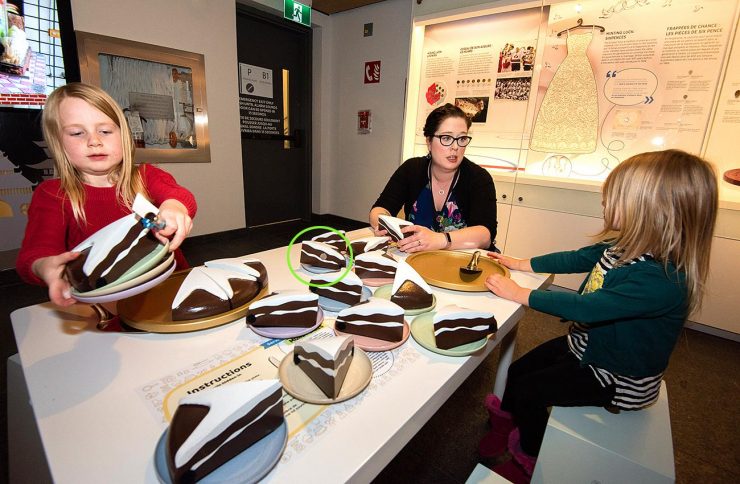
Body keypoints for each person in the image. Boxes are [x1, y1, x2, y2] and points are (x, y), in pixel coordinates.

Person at [478, 149, 718, 482]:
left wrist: (520, 294)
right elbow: (575, 259)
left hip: (615, 375)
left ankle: (529, 458)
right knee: (517, 372)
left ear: (651, 210)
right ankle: (505, 424)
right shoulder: (624, 246)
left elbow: (587, 307)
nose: (604, 203)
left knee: (532, 391)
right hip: (587, 347)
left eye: (614, 198)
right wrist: (522, 263)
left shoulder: (662, 280)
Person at [16, 83, 197, 307]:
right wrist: (44, 267)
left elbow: (177, 194)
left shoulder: (146, 176)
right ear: (58, 142)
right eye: (77, 133)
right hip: (104, 304)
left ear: (123, 134)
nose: (94, 141)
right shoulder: (53, 195)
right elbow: (36, 251)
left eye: (104, 131)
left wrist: (175, 207)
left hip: (171, 290)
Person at [369, 103, 497, 253]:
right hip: (418, 258)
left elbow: (485, 235)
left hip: (464, 262)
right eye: (446, 138)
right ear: (429, 142)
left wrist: (441, 239)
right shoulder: (412, 169)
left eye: (461, 139)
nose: (455, 147)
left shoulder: (478, 178)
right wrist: (384, 224)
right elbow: (380, 209)